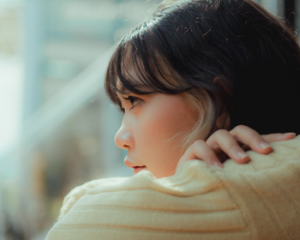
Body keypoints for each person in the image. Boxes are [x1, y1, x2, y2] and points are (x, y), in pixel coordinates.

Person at [46, 0, 300, 239]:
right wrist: (185, 179)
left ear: (220, 102)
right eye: (124, 109)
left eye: (135, 100)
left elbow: (75, 228)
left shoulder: (244, 188)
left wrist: (190, 185)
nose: (120, 138)